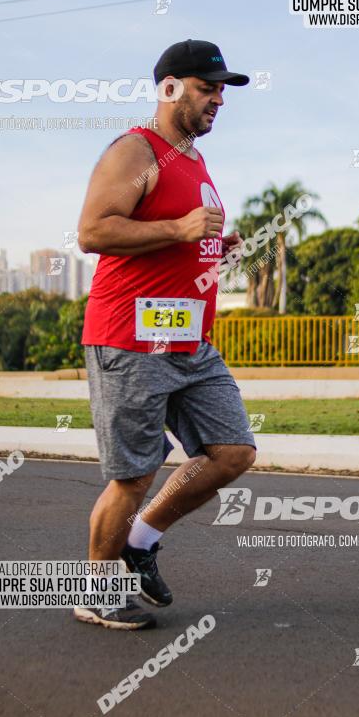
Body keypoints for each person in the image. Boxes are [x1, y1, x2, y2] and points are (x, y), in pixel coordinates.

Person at [75, 39, 256, 631]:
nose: (219, 100)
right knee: (132, 474)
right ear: (171, 87)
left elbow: (177, 238)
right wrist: (180, 227)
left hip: (188, 339)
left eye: (222, 89)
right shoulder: (135, 150)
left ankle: (142, 542)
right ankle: (95, 591)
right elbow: (94, 230)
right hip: (131, 337)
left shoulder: (195, 163)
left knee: (231, 452)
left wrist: (211, 246)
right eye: (209, 88)